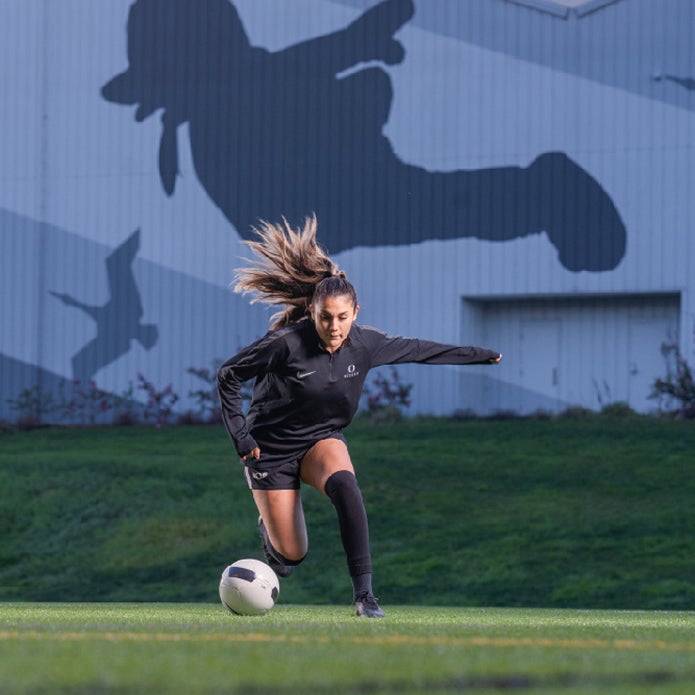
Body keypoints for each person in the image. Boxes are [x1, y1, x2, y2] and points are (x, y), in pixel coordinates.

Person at [217, 215, 502, 618]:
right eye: (325, 318)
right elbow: (228, 375)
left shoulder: (365, 343)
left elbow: (420, 349)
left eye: (343, 317)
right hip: (272, 449)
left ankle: (365, 596)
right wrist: (242, 438)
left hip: (321, 438)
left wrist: (478, 354)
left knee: (347, 486)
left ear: (355, 312)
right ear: (311, 313)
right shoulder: (284, 344)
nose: (334, 327)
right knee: (292, 555)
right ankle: (272, 533)